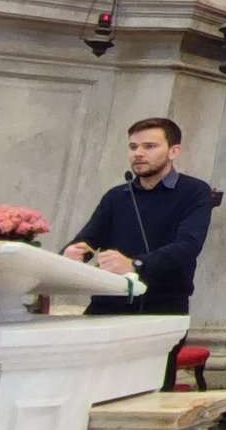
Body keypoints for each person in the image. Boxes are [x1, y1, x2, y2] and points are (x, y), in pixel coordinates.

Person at [64, 117, 214, 388]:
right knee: (87, 387)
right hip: (108, 303)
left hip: (162, 304)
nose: (139, 153)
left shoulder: (194, 192)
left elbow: (188, 246)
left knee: (149, 389)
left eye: (149, 146)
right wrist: (74, 252)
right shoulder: (117, 196)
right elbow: (88, 238)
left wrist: (136, 264)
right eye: (133, 147)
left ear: (174, 151)